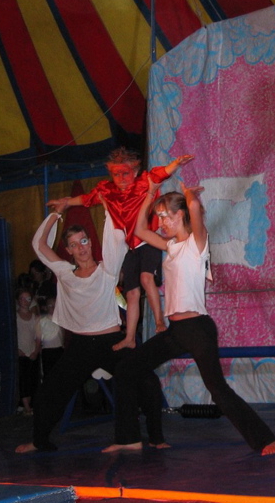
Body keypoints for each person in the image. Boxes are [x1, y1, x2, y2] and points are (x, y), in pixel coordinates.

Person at [102, 178, 275, 456]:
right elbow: (139, 230)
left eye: (166, 216)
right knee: (127, 369)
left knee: (217, 389)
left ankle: (265, 439)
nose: (161, 222)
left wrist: (189, 197)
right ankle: (129, 437)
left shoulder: (197, 244)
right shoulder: (171, 247)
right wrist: (150, 196)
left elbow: (195, 210)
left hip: (198, 328)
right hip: (176, 331)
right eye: (160, 217)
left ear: (180, 214)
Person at [16, 203, 164, 453]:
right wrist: (56, 214)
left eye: (83, 241)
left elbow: (116, 236)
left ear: (90, 242)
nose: (81, 248)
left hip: (111, 342)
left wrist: (107, 205)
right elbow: (39, 245)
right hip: (81, 346)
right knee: (49, 392)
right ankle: (39, 440)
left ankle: (156, 438)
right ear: (68, 250)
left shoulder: (107, 270)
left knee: (147, 381)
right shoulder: (64, 272)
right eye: (74, 244)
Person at [47, 147, 193, 351]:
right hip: (127, 247)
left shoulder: (142, 183)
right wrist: (65, 203)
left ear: (134, 171)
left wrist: (175, 164)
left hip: (147, 240)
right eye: (116, 174)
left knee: (146, 279)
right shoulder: (108, 191)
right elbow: (86, 199)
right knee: (131, 294)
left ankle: (159, 321)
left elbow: (159, 174)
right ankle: (130, 337)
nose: (121, 178)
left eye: (125, 173)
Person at [16, 288, 40, 416]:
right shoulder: (15, 317)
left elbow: (38, 337)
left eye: (27, 299)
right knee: (23, 380)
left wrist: (36, 351)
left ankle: (31, 405)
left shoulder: (35, 318)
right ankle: (26, 407)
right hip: (21, 353)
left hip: (32, 352)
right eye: (22, 298)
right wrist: (17, 350)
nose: (24, 301)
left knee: (32, 379)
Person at [35, 296, 64, 382]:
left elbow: (62, 333)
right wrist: (37, 349)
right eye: (50, 305)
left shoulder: (60, 320)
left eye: (55, 305)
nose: (53, 308)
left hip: (59, 349)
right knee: (48, 373)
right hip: (47, 350)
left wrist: (62, 345)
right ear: (45, 308)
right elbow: (38, 337)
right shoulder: (42, 321)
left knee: (59, 373)